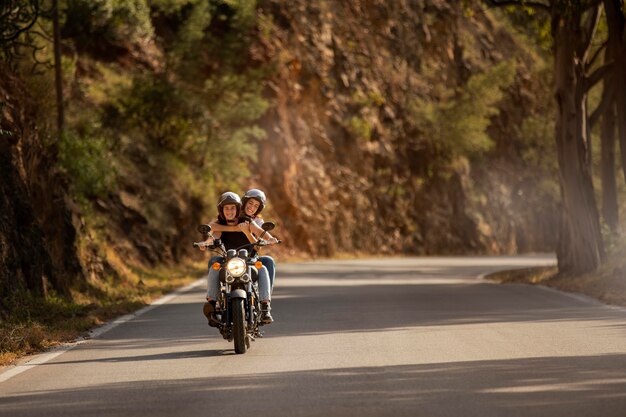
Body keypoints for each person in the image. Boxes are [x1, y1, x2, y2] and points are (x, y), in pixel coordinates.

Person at [197, 191, 273, 325]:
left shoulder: (248, 221)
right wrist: (205, 243)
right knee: (215, 268)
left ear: (238, 209)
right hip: (229, 261)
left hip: (249, 261)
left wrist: (271, 238)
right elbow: (212, 236)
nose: (229, 211)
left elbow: (261, 233)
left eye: (233, 208)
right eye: (226, 208)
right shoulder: (219, 223)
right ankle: (212, 304)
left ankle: (265, 307)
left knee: (263, 270)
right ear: (221, 210)